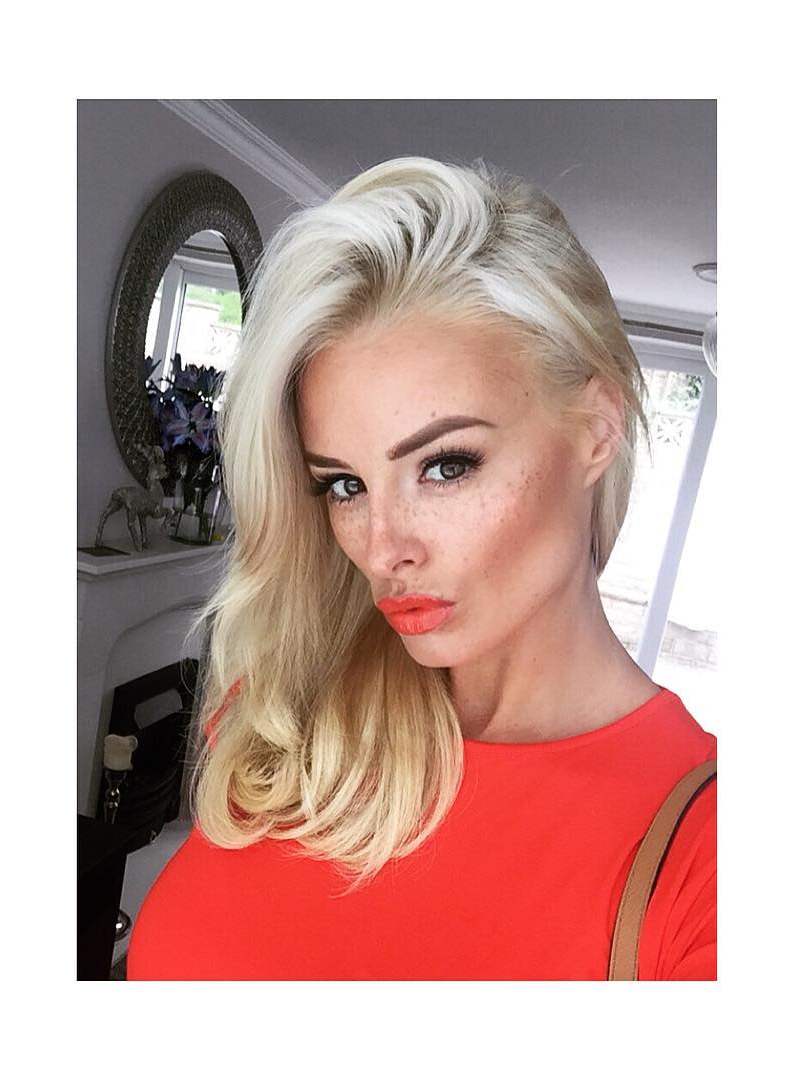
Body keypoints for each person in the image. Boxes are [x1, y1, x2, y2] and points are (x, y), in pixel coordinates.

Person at [126, 156, 716, 980]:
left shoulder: (705, 864)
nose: (382, 547)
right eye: (344, 485)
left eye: (444, 466)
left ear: (596, 430)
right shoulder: (283, 716)